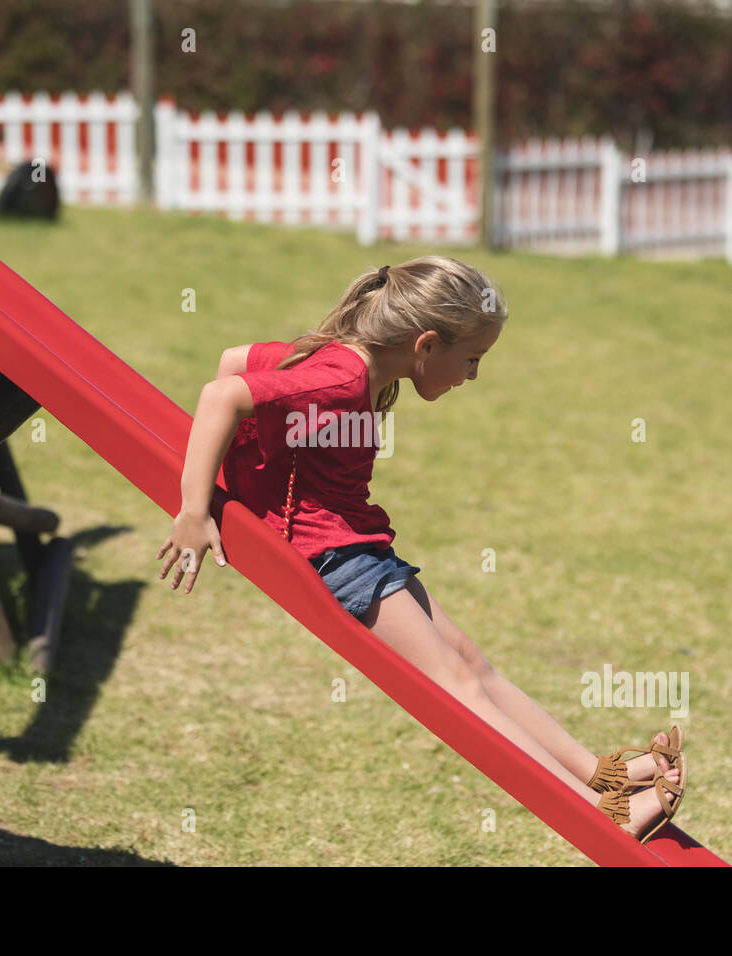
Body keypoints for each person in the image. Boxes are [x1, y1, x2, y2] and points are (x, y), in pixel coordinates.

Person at [156, 255, 685, 842]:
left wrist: (261, 465)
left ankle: (603, 777)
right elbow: (223, 393)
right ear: (426, 345)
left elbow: (238, 361)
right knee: (455, 687)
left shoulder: (342, 361)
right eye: (473, 360)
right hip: (339, 561)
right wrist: (196, 509)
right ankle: (603, 817)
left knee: (473, 665)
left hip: (358, 545)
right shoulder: (342, 378)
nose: (474, 376)